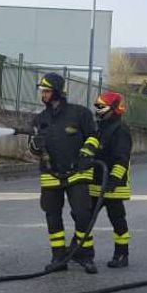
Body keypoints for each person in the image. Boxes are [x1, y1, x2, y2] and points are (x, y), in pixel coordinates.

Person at [27, 73, 101, 274]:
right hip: (50, 174)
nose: (44, 94)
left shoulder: (80, 114)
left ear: (58, 92)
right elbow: (33, 150)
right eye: (43, 91)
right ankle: (58, 257)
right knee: (52, 216)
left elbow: (94, 137)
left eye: (47, 91)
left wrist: (86, 154)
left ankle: (85, 256)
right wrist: (34, 146)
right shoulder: (39, 119)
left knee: (82, 215)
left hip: (77, 173)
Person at [88, 91, 133, 268]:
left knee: (117, 219)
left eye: (100, 107)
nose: (97, 110)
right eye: (96, 106)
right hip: (96, 183)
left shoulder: (120, 130)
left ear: (113, 109)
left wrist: (113, 180)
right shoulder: (100, 127)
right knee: (85, 218)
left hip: (114, 186)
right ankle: (79, 251)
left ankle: (122, 254)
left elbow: (122, 158)